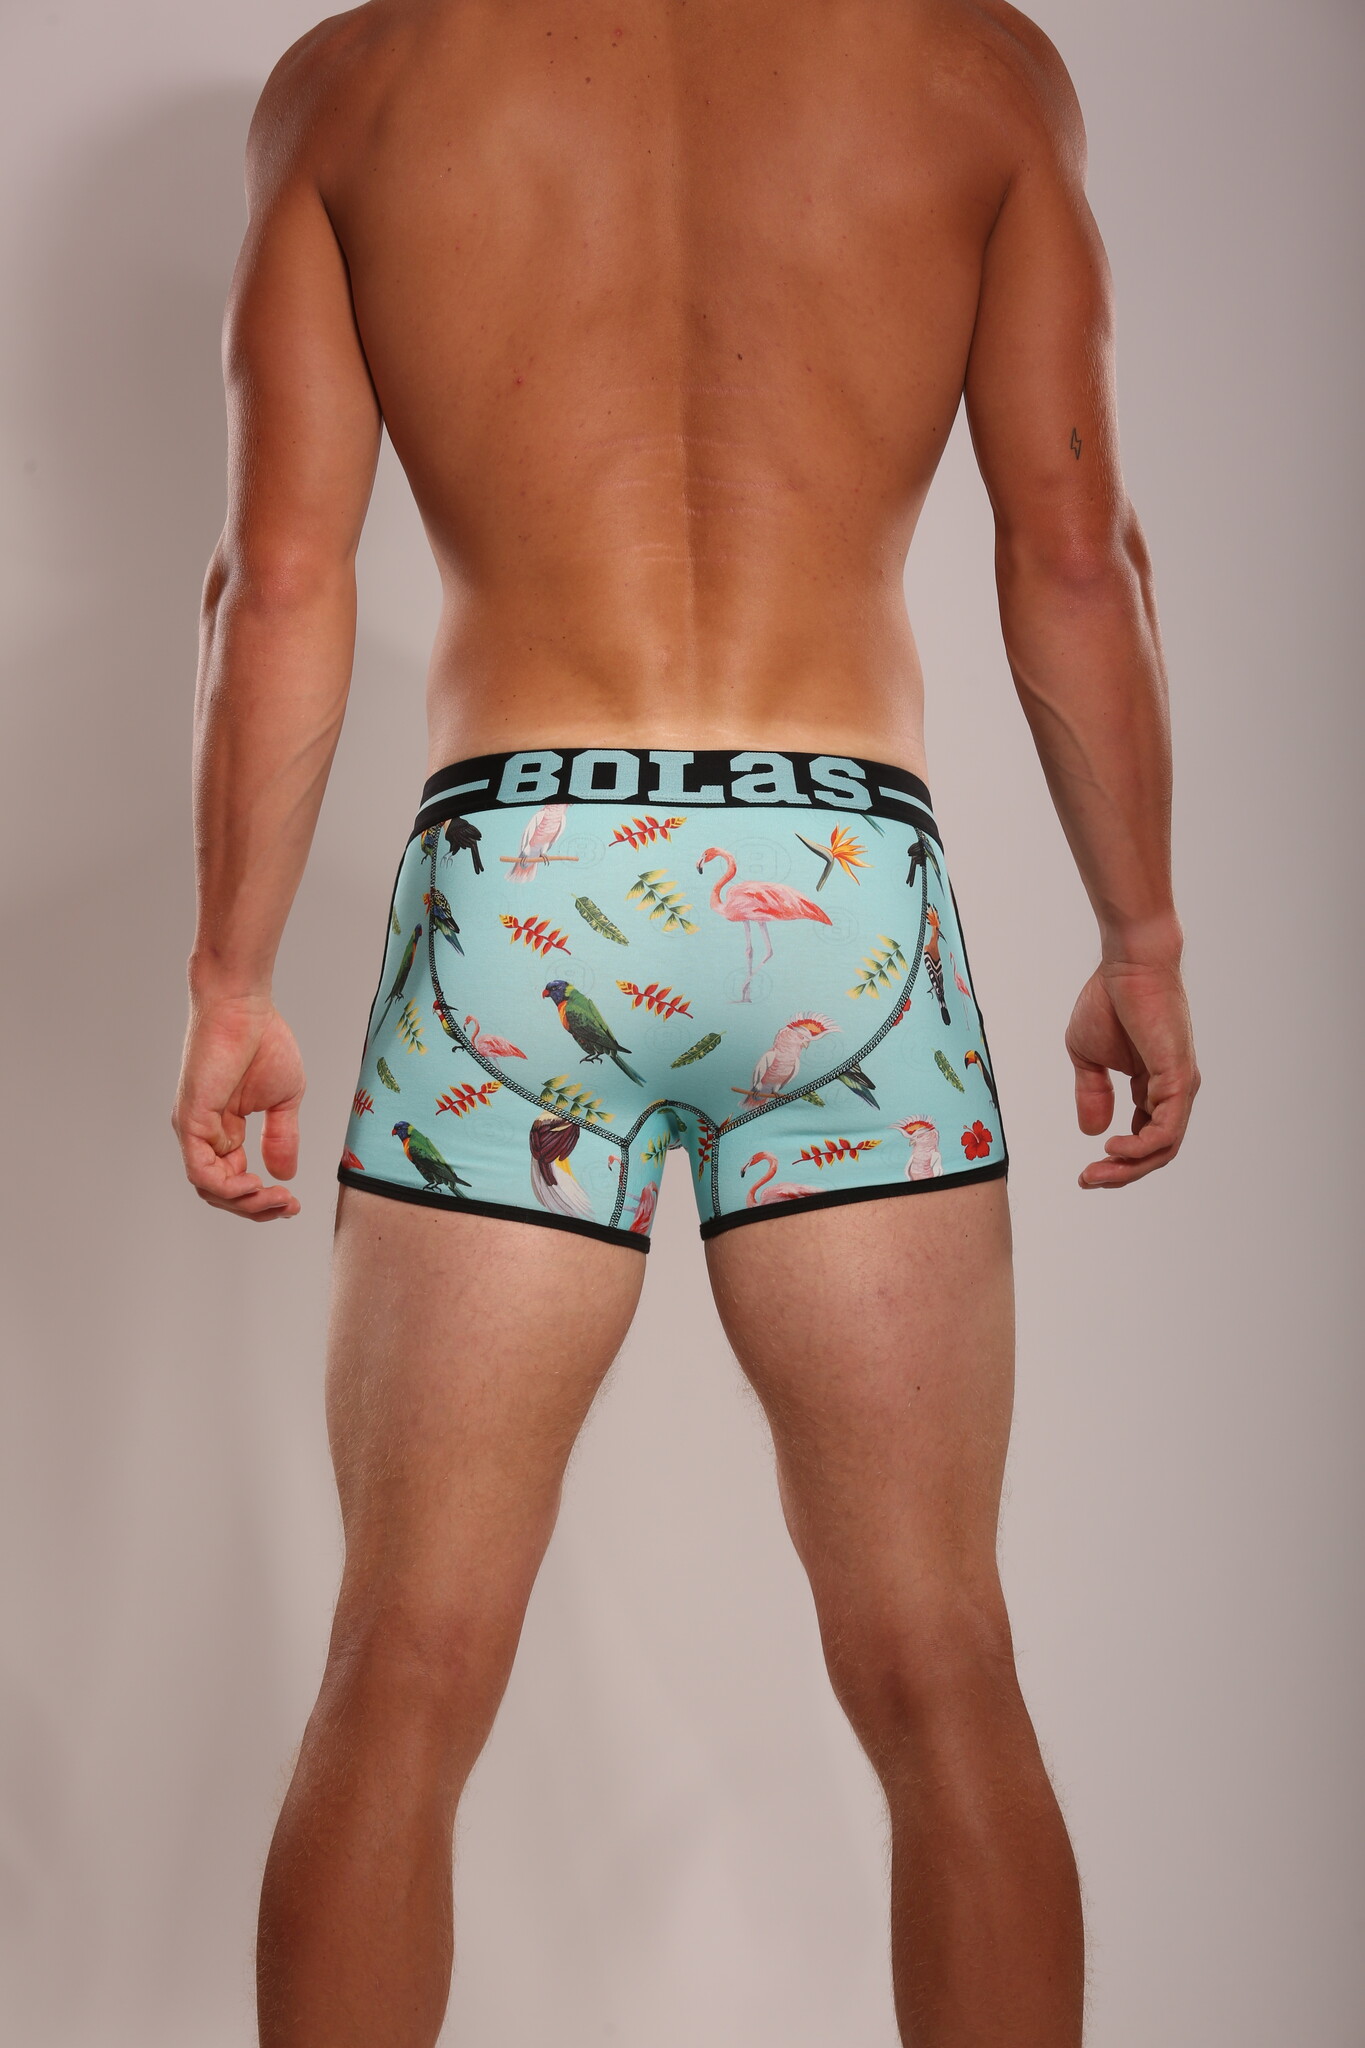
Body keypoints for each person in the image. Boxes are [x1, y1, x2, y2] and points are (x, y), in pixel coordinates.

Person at [171, 1, 1199, 2041]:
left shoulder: (360, 83)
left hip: (518, 880)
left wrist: (230, 976)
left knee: (403, 1666)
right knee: (940, 1665)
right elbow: (1073, 552)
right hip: (840, 882)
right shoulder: (976, 71)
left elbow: (276, 581)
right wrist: (1139, 933)